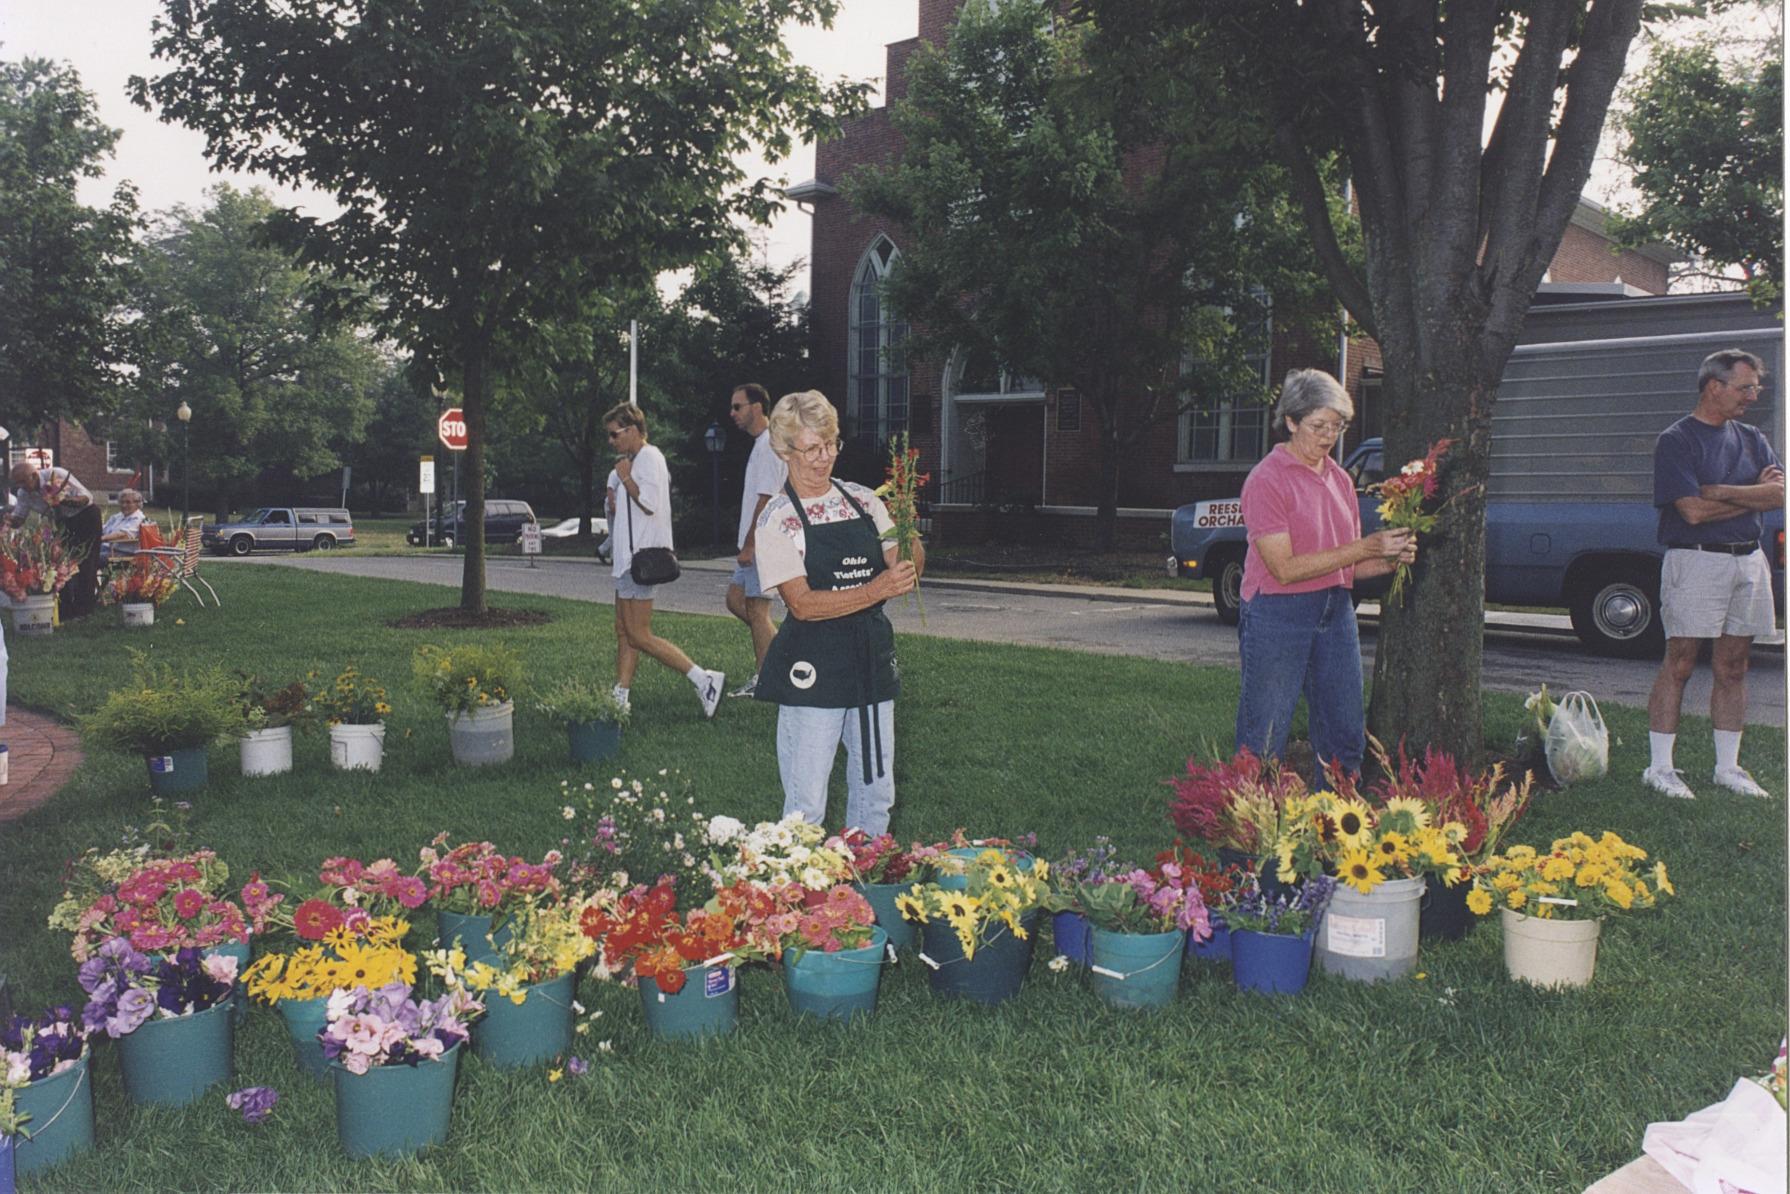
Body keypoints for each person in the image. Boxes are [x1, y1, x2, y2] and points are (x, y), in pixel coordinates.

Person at [1234, 369, 1415, 779]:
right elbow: (1283, 569)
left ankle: (1330, 832)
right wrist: (1365, 546)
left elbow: (1344, 565)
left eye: (1336, 426)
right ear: (1292, 421)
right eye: (1318, 425)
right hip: (1276, 612)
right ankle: (1248, 838)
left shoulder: (1338, 479)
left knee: (1345, 736)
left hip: (1335, 609)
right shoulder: (1267, 480)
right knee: (1263, 737)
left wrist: (1389, 558)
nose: (1328, 435)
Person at [753, 391, 920, 835]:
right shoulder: (777, 520)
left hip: (870, 660)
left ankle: (866, 888)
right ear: (784, 451)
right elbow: (803, 605)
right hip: (814, 666)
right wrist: (875, 590)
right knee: (806, 803)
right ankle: (802, 893)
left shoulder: (864, 500)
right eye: (811, 448)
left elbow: (904, 568)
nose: (824, 458)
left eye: (831, 444)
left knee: (876, 793)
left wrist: (908, 534)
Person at [1642, 349, 1784, 800]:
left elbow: (1779, 495)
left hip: (1748, 561)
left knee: (1734, 666)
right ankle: (1660, 768)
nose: (1752, 397)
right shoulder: (1676, 441)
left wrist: (1722, 490)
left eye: (1755, 388)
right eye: (1745, 388)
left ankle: (1728, 768)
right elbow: (1693, 512)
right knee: (1681, 661)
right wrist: (1752, 494)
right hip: (1696, 559)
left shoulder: (1752, 436)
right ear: (1713, 387)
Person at [602, 402, 725, 719]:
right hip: (628, 561)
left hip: (642, 560)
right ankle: (620, 696)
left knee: (639, 634)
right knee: (623, 630)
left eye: (615, 434)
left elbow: (649, 503)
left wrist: (626, 479)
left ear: (632, 430)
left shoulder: (649, 458)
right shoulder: (634, 460)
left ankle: (703, 679)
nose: (611, 441)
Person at [724, 383, 787, 697]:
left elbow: (766, 499)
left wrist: (750, 545)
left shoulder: (768, 444)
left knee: (758, 611)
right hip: (754, 544)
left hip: (762, 544)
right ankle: (783, 658)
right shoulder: (761, 443)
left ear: (758, 406)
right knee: (735, 600)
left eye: (738, 406)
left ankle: (766, 680)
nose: (732, 413)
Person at [8, 462, 102, 620]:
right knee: (61, 564)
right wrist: (9, 519)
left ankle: (84, 609)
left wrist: (61, 499)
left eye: (23, 481)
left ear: (34, 475)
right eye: (17, 483)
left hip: (86, 516)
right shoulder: (23, 493)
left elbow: (86, 498)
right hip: (63, 522)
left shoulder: (57, 474)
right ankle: (65, 609)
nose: (21, 486)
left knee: (86, 561)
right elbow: (19, 518)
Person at [100, 488, 149, 561]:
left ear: (137, 504)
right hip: (108, 547)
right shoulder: (118, 516)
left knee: (91, 558)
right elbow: (103, 529)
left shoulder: (139, 519)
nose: (124, 505)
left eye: (128, 502)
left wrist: (101, 539)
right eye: (122, 502)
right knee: (81, 552)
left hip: (124, 552)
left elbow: (123, 535)